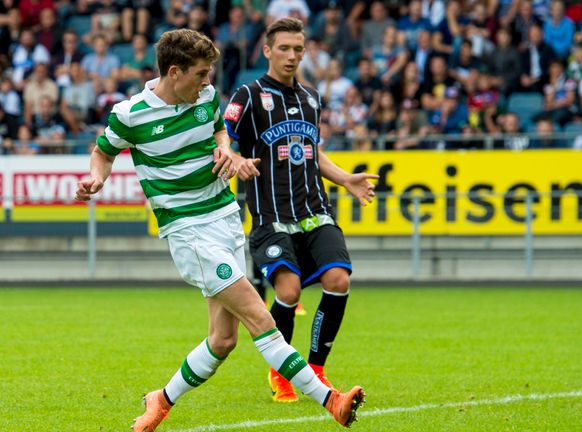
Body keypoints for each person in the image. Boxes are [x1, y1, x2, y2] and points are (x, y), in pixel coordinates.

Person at [74, 28, 365, 431]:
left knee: (223, 340)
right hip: (189, 232)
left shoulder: (206, 98)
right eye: (200, 74)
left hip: (226, 220)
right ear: (174, 72)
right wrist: (96, 178)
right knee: (259, 316)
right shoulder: (130, 115)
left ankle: (161, 400)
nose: (208, 82)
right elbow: (103, 152)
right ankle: (329, 399)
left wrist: (225, 147)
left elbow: (220, 131)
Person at [223, 18, 378, 404]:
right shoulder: (249, 95)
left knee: (339, 280)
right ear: (267, 50)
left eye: (298, 49)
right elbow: (223, 138)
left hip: (314, 209)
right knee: (288, 291)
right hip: (270, 215)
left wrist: (345, 179)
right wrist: (236, 159)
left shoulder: (311, 98)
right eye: (284, 49)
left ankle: (317, 368)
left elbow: (312, 151)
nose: (292, 56)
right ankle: (281, 370)